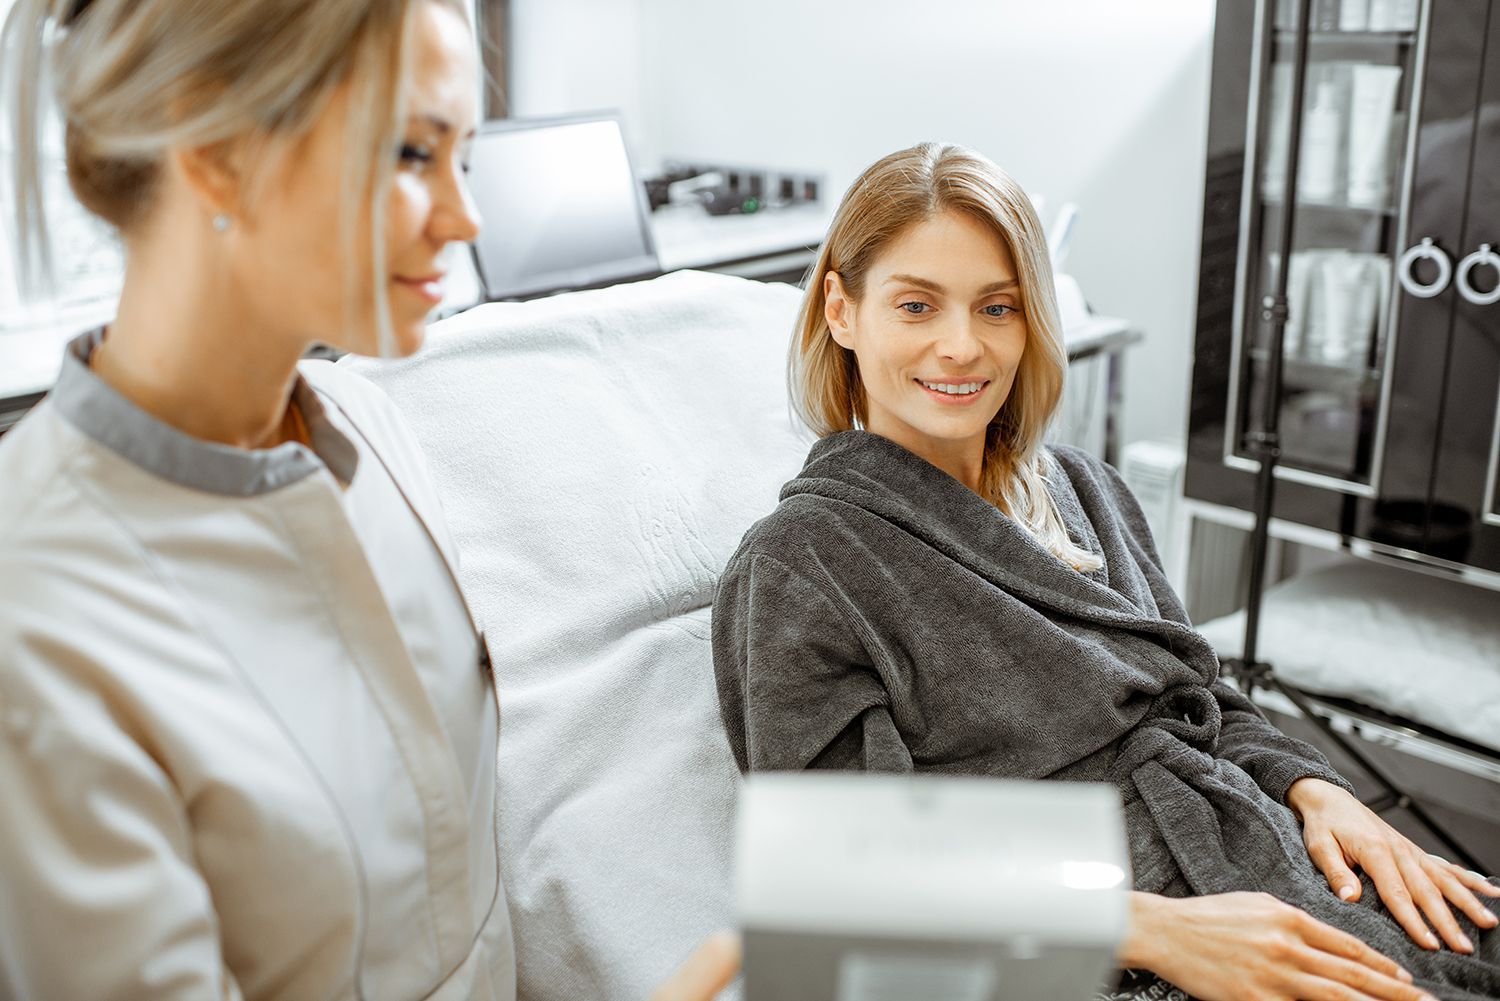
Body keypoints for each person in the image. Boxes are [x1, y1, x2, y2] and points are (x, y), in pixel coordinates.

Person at [0, 0, 737, 997]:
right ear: (215, 152)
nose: (466, 219)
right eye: (408, 154)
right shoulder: (39, 623)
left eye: (462, 157)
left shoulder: (371, 427)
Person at [710, 142, 1500, 1001]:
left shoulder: (1084, 488)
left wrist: (1319, 791)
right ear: (840, 309)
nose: (961, 346)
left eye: (998, 307)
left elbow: (1197, 694)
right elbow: (842, 875)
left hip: (1251, 841)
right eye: (915, 305)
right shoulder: (804, 563)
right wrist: (1157, 931)